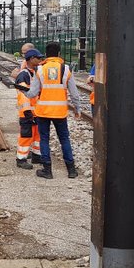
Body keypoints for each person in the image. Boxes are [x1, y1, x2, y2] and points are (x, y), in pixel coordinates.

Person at [23, 41, 81, 179]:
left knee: (44, 139)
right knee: (64, 139)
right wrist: (77, 109)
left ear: (46, 55)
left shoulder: (40, 69)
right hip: (60, 112)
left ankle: (47, 170)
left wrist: (24, 91)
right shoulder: (66, 69)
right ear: (59, 53)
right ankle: (71, 170)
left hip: (43, 111)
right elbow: (74, 94)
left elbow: (32, 93)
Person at [15, 48, 43, 169]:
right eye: (38, 58)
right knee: (26, 136)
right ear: (31, 59)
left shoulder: (34, 73)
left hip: (37, 111)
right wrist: (27, 111)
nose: (40, 60)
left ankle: (37, 155)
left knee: (37, 135)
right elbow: (22, 94)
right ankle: (21, 159)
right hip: (27, 112)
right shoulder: (23, 75)